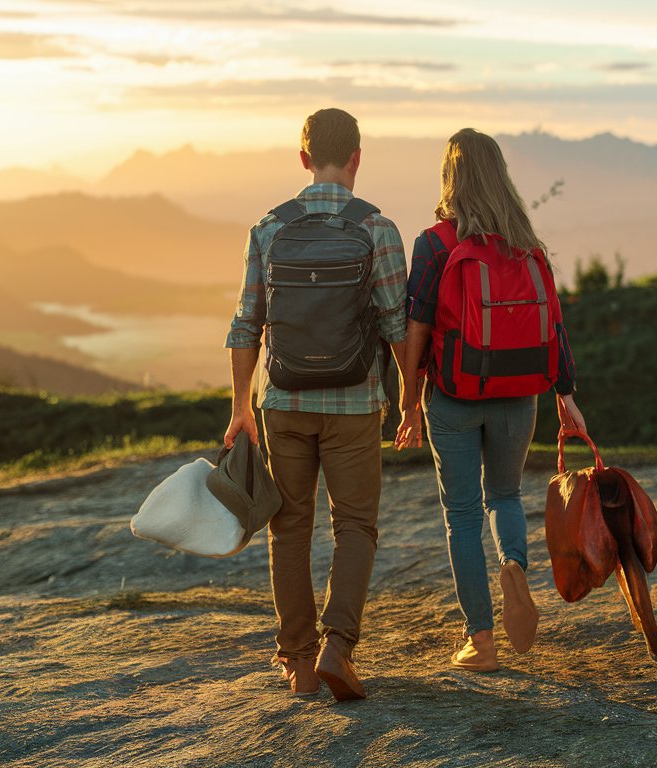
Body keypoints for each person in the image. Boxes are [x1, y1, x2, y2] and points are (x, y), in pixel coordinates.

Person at [224, 108, 410, 699]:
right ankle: (338, 647)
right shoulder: (378, 229)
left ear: (303, 159)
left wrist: (239, 408)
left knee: (289, 529)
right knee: (355, 525)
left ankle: (300, 662)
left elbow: (245, 325)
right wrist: (410, 400)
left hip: (282, 401)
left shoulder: (270, 228)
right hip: (356, 404)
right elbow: (398, 324)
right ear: (357, 158)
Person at [395, 127, 586, 672]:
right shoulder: (526, 242)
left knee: (460, 515)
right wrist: (565, 393)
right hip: (519, 395)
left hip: (454, 396)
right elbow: (554, 323)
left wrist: (409, 399)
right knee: (502, 496)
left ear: (450, 177)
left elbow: (418, 326)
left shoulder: (435, 243)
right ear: (500, 175)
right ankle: (514, 565)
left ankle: (480, 640)